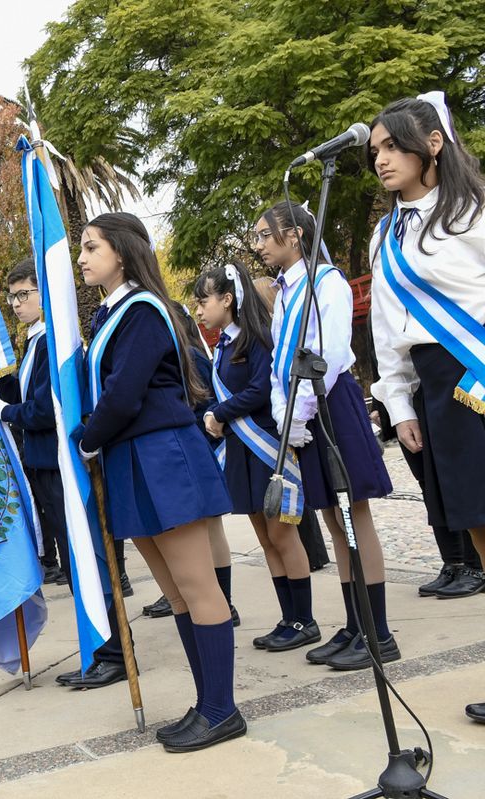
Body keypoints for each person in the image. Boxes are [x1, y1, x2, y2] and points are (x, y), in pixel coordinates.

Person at [76, 213, 241, 753]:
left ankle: (222, 709)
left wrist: (84, 436)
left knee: (197, 586)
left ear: (121, 253)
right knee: (174, 593)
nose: (82, 257)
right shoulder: (111, 315)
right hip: (131, 458)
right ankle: (206, 701)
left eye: (91, 246)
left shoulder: (143, 310)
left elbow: (124, 394)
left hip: (162, 453)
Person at [365, 94, 485, 721]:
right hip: (434, 384)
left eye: (392, 146)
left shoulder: (474, 212)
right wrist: (398, 399)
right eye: (376, 150)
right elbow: (387, 326)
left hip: (479, 373)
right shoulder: (385, 234)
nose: (381, 159)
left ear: (432, 144)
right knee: (473, 520)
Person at [254, 200, 397, 672]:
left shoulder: (326, 282)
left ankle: (378, 631)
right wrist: (284, 412)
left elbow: (331, 354)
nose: (258, 245)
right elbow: (281, 363)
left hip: (330, 403)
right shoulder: (286, 292)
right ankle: (356, 623)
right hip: (305, 411)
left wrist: (303, 409)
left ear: (294, 235)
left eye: (264, 234)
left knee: (356, 516)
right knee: (335, 521)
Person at [0, 258, 135, 687]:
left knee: (88, 556)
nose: (16, 303)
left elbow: (47, 408)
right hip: (44, 465)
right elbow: (28, 391)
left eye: (24, 294)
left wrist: (6, 410)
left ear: (43, 295)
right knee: (72, 560)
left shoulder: (53, 342)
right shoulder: (34, 344)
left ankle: (115, 651)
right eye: (11, 297)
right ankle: (100, 648)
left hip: (62, 463)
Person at [195, 261, 317, 652]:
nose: (199, 310)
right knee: (265, 538)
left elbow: (260, 391)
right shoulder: (224, 345)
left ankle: (305, 619)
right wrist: (212, 415)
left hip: (265, 447)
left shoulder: (256, 338)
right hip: (241, 452)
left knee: (283, 533)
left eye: (203, 300)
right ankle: (288, 618)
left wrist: (219, 414)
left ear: (227, 299)